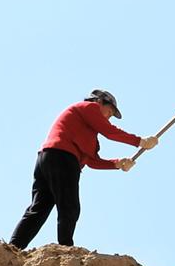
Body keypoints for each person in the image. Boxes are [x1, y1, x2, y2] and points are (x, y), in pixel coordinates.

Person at [9, 90, 158, 250]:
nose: (108, 117)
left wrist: (117, 163)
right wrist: (140, 141)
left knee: (39, 207)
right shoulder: (89, 107)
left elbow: (92, 161)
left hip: (48, 158)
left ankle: (14, 247)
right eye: (109, 112)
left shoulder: (87, 132)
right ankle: (66, 248)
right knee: (69, 206)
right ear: (100, 102)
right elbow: (109, 131)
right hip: (63, 157)